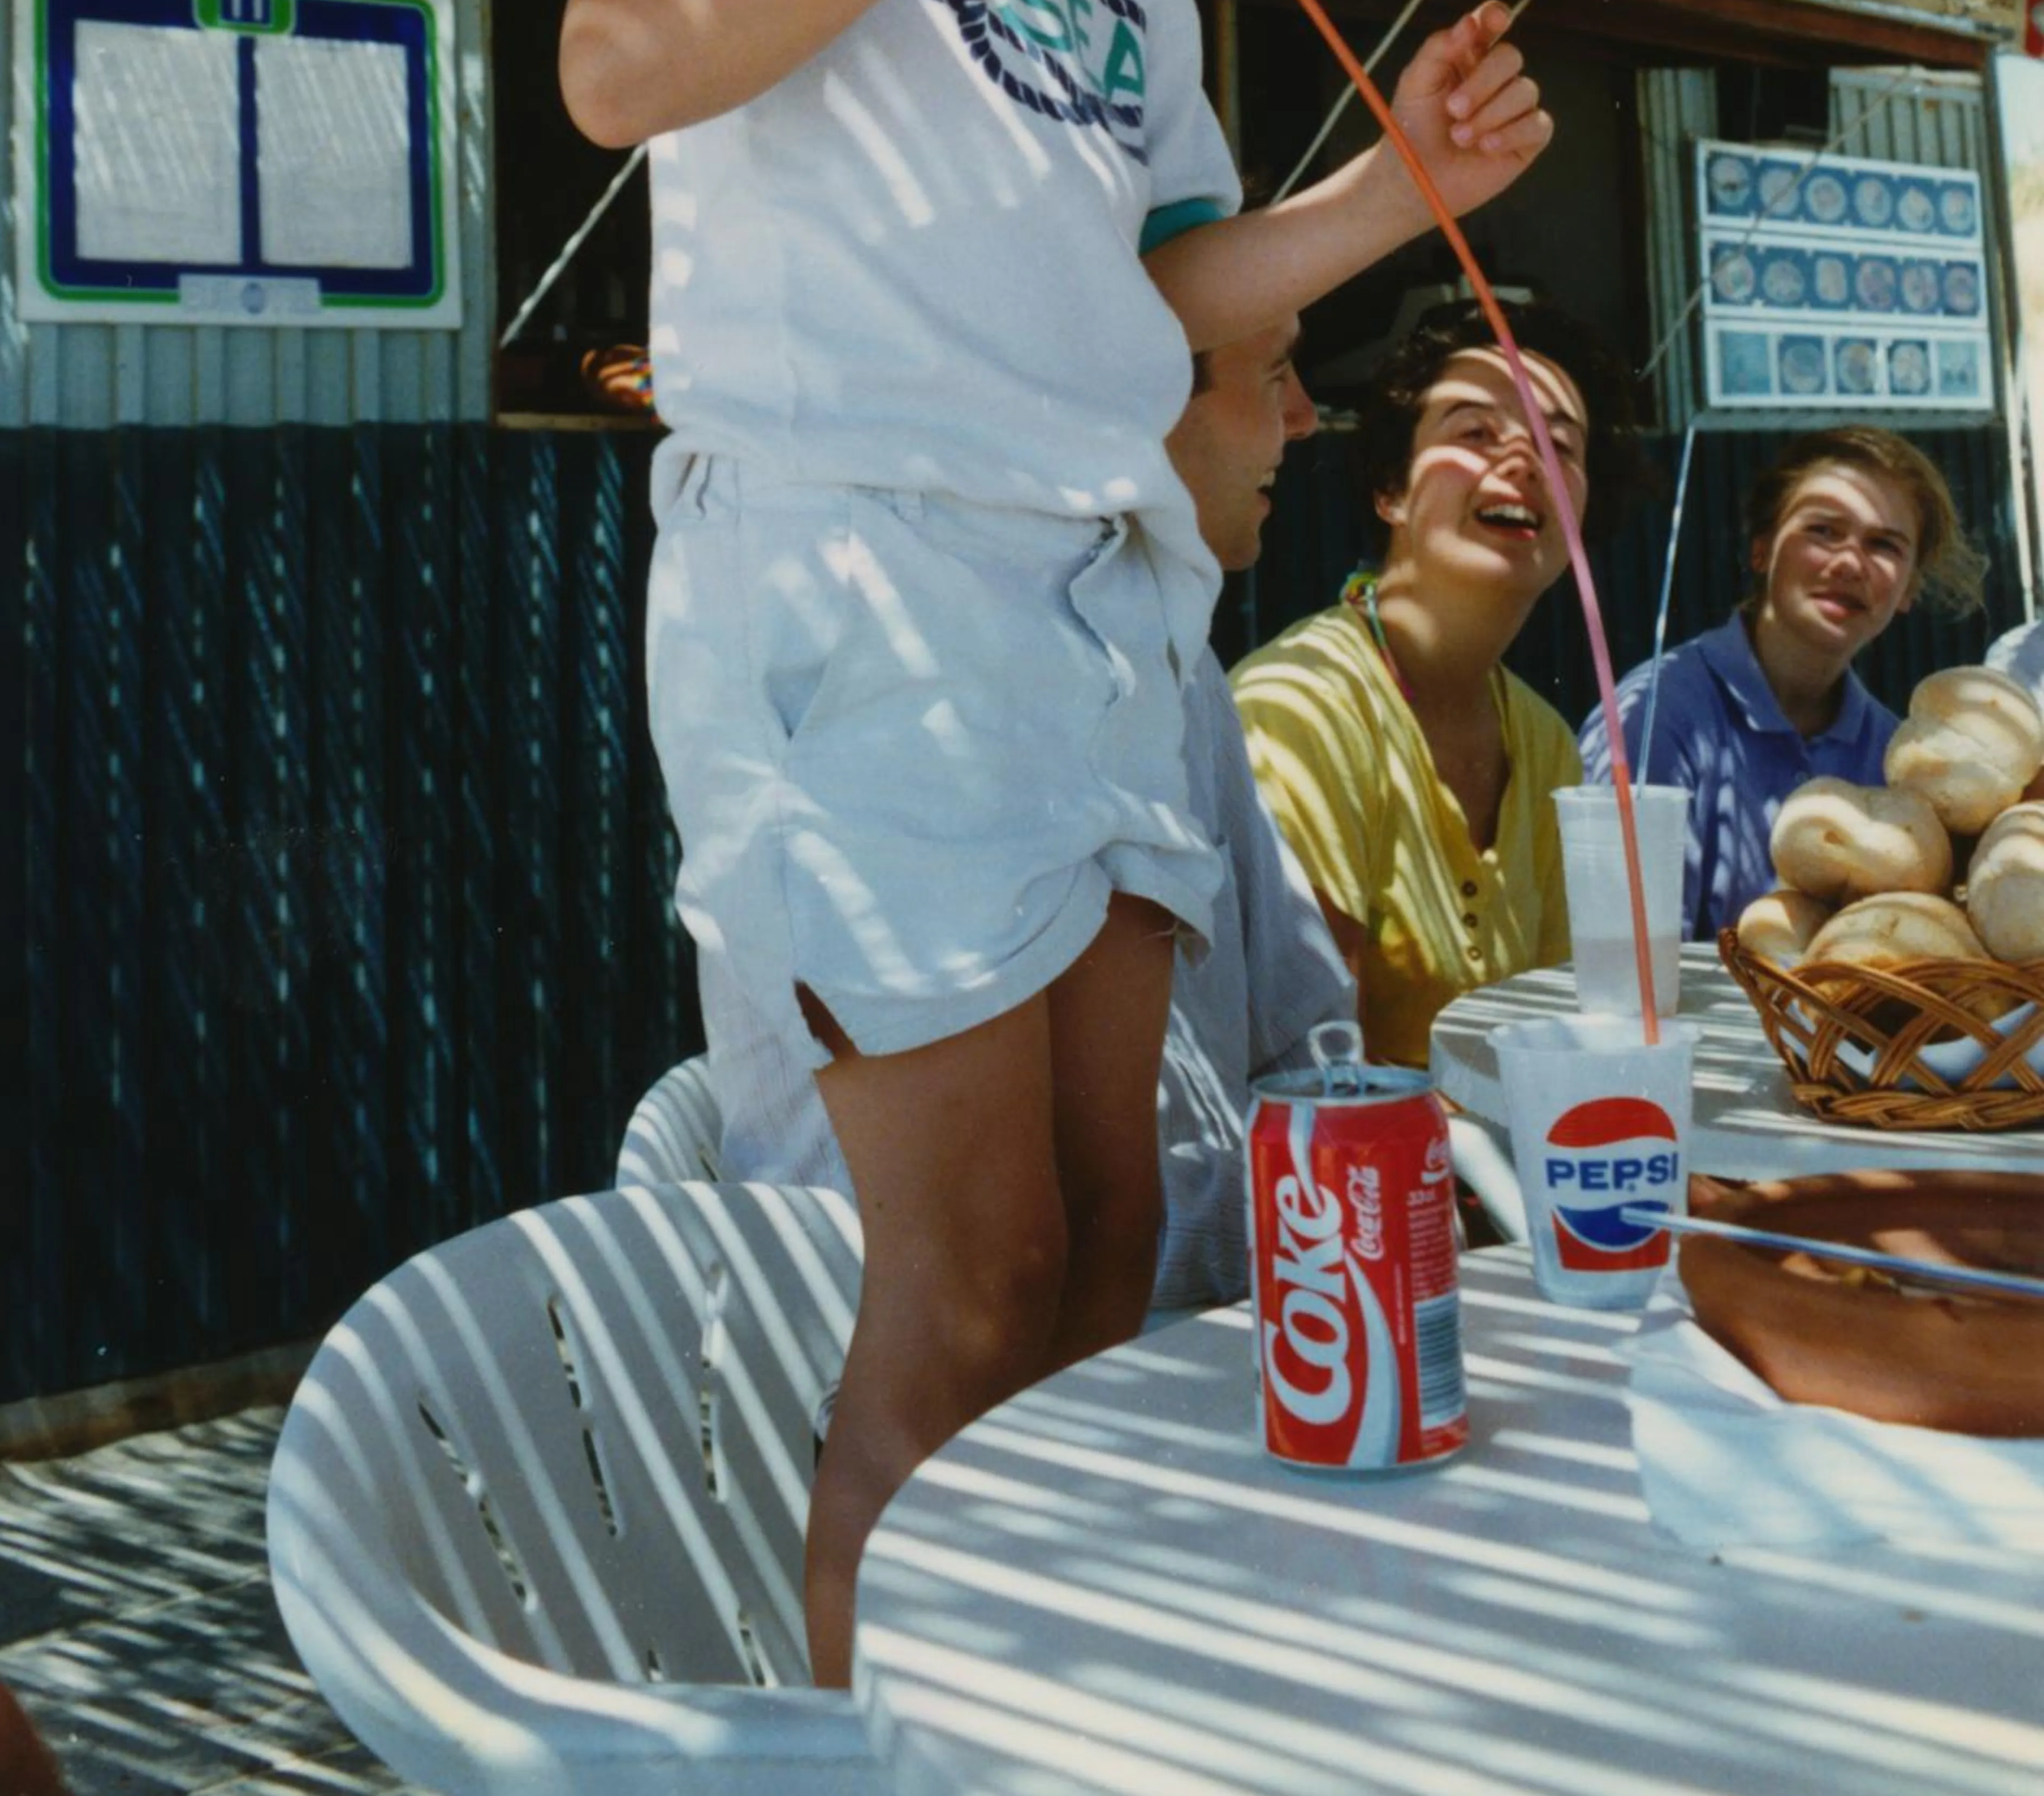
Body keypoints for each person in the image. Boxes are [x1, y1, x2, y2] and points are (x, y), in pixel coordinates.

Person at [559, 0, 1550, 1676]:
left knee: (1111, 1250)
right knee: (970, 1275)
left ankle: (1040, 1725)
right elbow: (620, 58)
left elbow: (1170, 293)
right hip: (859, 572)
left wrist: (1388, 195)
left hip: (1100, 596)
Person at [697, 310, 1352, 1314]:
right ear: (1136, 406)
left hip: (1213, 1324)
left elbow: (1306, 1028)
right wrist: (1326, 1216)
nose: (1307, 418)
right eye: (1273, 374)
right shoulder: (898, 697)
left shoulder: (1173, 664)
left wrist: (1346, 1190)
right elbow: (972, 1258)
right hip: (946, 1390)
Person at [1234, 301, 1637, 1069]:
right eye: (1475, 432)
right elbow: (1322, 1073)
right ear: (1392, 490)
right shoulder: (1304, 706)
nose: (1523, 459)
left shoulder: (1548, 742)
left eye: (1559, 445)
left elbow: (1563, 1045)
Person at [1579, 424, 1984, 940]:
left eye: (1884, 545)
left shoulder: (1895, 755)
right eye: (1823, 531)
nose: (1850, 563)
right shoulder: (1657, 719)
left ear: (1908, 589)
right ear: (1762, 550)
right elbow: (1629, 956)